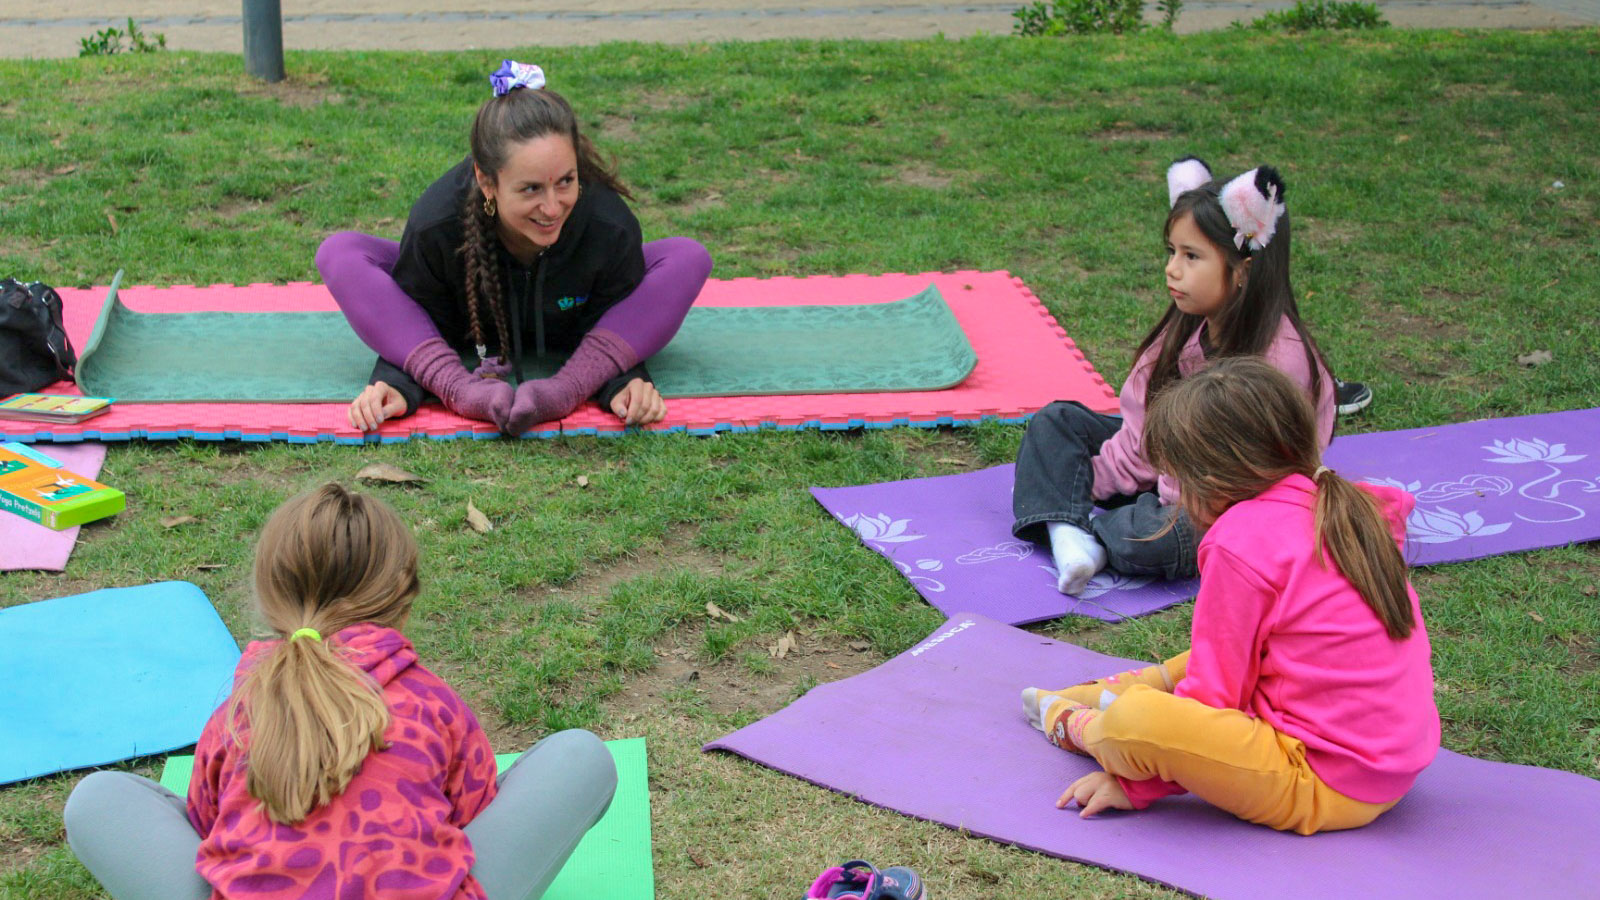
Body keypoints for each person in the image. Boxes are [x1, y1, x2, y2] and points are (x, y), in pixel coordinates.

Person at [64, 483, 618, 899]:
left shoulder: (236, 713)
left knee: (97, 799)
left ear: (268, 597)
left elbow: (209, 829)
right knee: (579, 756)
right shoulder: (433, 704)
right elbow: (471, 817)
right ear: (404, 599)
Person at [1022, 358, 1439, 835]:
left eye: (1176, 480)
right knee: (1212, 655)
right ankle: (1114, 693)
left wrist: (1138, 783)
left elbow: (1213, 700)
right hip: (1391, 769)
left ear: (1212, 481)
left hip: (1322, 782)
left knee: (1137, 720)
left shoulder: (1240, 542)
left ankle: (1082, 724)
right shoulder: (1340, 503)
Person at [317, 60, 712, 435]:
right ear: (487, 181)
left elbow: (617, 314)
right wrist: (401, 381)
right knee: (340, 252)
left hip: (574, 331)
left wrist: (623, 381)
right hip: (462, 325)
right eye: (531, 189)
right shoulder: (437, 224)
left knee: (688, 257)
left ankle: (565, 389)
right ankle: (461, 389)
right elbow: (416, 313)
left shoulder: (608, 225)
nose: (553, 207)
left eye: (566, 181)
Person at [1012, 156, 1335, 595]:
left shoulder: (1279, 363)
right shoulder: (1189, 324)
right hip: (1171, 466)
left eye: (1192, 256)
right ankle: (1067, 533)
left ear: (1243, 270)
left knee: (1165, 535)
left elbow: (1236, 480)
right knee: (1056, 422)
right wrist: (1097, 479)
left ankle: (1091, 535)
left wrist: (1114, 492)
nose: (1172, 268)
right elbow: (1141, 428)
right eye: (1172, 252)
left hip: (1227, 502)